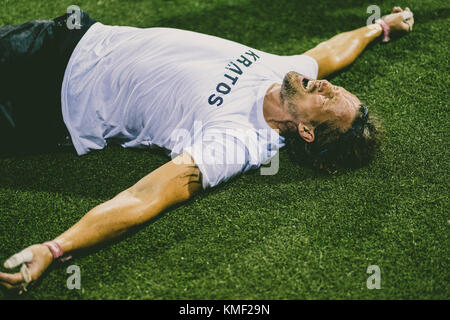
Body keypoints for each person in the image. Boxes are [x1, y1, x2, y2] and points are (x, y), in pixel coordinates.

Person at [0, 6, 414, 293]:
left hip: (48, 105)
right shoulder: (292, 74)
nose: (324, 85)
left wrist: (55, 248)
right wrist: (379, 28)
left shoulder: (237, 142)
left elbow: (146, 197)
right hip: (72, 37)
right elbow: (331, 52)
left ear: (306, 132)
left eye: (327, 99)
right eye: (335, 88)